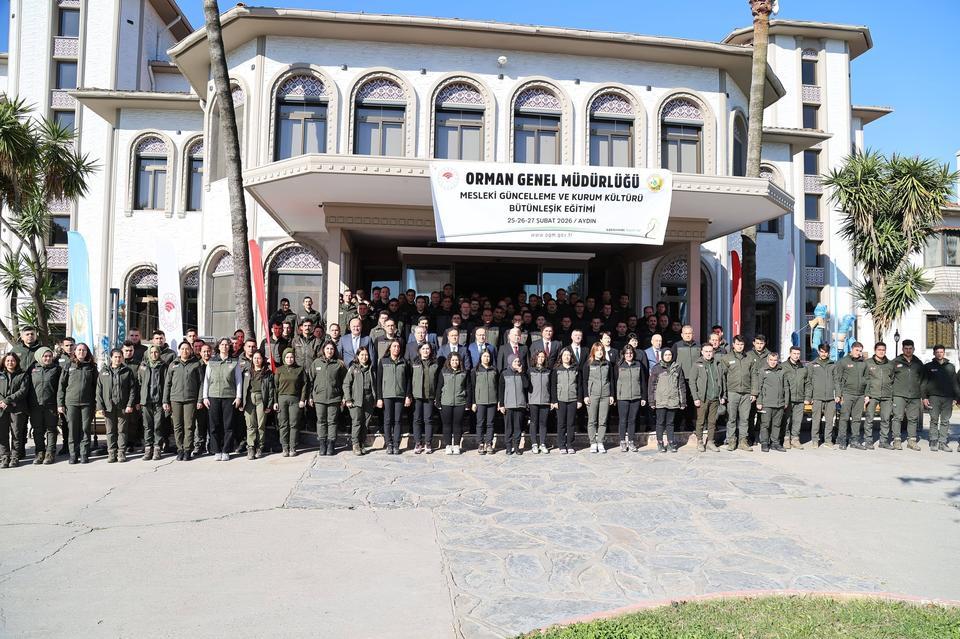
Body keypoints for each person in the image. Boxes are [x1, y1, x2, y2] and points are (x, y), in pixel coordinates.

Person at [163, 341, 204, 461]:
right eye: (182, 349)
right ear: (179, 351)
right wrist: (165, 400)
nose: (184, 351)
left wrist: (200, 400)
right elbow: (167, 384)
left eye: (187, 349)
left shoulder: (196, 364)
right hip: (175, 399)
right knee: (177, 426)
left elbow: (201, 383)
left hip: (191, 399)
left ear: (190, 350)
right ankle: (179, 449)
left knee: (189, 426)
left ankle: (187, 450)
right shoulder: (173, 364)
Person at [203, 338, 243, 461]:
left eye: (227, 345)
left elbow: (238, 380)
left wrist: (238, 396)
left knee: (228, 425)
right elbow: (207, 380)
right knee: (214, 425)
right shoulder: (212, 362)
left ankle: (226, 450)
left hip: (229, 396)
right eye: (222, 344)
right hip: (213, 396)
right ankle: (216, 450)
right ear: (218, 347)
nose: (225, 347)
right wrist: (205, 396)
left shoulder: (234, 362)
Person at [57, 343, 98, 464]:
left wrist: (96, 403)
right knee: (73, 429)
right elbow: (62, 386)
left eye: (84, 350)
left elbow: (96, 386)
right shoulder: (68, 365)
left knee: (85, 429)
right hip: (71, 403)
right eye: (79, 350)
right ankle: (73, 454)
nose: (81, 352)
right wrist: (60, 403)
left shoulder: (91, 367)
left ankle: (84, 453)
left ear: (87, 352)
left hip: (87, 403)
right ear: (74, 352)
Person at [96, 348, 137, 463]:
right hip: (108, 407)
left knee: (122, 430)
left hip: (123, 406)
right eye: (115, 357)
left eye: (120, 357)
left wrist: (129, 404)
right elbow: (99, 390)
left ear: (122, 358)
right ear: (111, 358)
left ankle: (121, 453)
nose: (118, 359)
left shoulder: (127, 371)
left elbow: (133, 390)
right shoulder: (104, 371)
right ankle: (111, 453)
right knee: (110, 431)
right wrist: (100, 407)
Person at [308, 341, 346, 456]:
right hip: (319, 398)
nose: (330, 351)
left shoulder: (339, 364)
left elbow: (345, 382)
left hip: (334, 398)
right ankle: (322, 443)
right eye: (328, 348)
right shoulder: (316, 363)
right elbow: (310, 381)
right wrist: (310, 396)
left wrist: (344, 397)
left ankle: (331, 444)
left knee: (332, 421)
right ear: (323, 349)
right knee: (321, 421)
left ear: (335, 351)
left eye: (332, 349)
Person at [921, 345, 959, 452]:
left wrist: (956, 397)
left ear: (944, 353)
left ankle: (942, 442)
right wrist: (924, 397)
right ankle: (933, 440)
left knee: (945, 420)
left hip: (948, 398)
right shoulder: (928, 366)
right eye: (937, 352)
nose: (939, 354)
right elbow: (923, 383)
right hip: (933, 397)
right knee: (934, 419)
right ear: (934, 353)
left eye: (941, 352)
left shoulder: (950, 367)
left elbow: (954, 383)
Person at [377, 339, 412, 455]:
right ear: (390, 348)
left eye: (398, 346)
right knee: (387, 420)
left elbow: (408, 380)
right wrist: (379, 397)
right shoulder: (383, 361)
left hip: (400, 395)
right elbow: (379, 381)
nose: (396, 348)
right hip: (387, 395)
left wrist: (408, 395)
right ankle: (389, 444)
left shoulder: (404, 362)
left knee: (398, 420)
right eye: (394, 346)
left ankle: (396, 444)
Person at [28, 347, 61, 465]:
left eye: (50, 356)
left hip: (51, 405)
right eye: (45, 356)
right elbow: (27, 387)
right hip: (35, 405)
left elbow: (60, 388)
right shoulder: (32, 369)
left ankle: (50, 453)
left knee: (51, 429)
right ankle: (40, 452)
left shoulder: (56, 369)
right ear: (39, 357)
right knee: (37, 430)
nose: (48, 358)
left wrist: (59, 404)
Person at [648, 348, 685, 453]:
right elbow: (652, 386)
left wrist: (683, 401)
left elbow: (681, 386)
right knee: (660, 423)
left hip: (673, 400)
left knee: (670, 423)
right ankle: (660, 443)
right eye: (666, 355)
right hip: (660, 401)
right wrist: (652, 401)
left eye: (669, 355)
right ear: (662, 356)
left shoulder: (677, 368)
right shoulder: (657, 369)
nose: (668, 356)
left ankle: (670, 442)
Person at [689, 343, 724, 452]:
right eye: (706, 351)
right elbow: (692, 382)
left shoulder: (717, 364)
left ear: (713, 352)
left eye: (710, 351)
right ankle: (699, 441)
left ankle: (710, 442)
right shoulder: (697, 364)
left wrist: (723, 395)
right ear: (702, 352)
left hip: (715, 398)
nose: (709, 353)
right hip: (703, 398)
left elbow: (722, 380)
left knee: (712, 421)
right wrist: (695, 398)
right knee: (700, 421)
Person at [720, 336, 753, 451]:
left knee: (745, 418)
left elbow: (754, 376)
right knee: (732, 418)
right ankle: (731, 440)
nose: (740, 346)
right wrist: (723, 394)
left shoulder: (749, 358)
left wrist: (753, 392)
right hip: (732, 392)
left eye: (742, 344)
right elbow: (722, 377)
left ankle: (743, 441)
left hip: (746, 393)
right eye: (738, 344)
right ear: (733, 345)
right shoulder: (726, 358)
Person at [274, 348, 308, 457]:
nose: (289, 359)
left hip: (295, 399)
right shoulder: (279, 370)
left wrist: (302, 399)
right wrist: (275, 401)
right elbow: (275, 387)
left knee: (294, 424)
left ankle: (293, 447)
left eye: (291, 357)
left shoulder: (300, 369)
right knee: (283, 424)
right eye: (287, 357)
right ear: (284, 358)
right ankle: (285, 447)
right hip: (281, 399)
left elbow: (305, 385)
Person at [436, 351, 472, 455]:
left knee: (458, 425)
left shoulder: (464, 373)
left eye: (456, 360)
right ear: (449, 361)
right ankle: (448, 445)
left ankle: (456, 445)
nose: (455, 362)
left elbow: (468, 388)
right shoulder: (443, 372)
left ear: (459, 361)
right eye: (453, 360)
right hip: (446, 402)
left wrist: (468, 403)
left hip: (460, 402)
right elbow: (439, 387)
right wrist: (438, 401)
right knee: (446, 425)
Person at [343, 347, 377, 456]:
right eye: (362, 355)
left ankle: (362, 443)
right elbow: (346, 384)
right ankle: (355, 444)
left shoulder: (371, 368)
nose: (364, 357)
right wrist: (348, 399)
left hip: (368, 399)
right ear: (358, 356)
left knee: (365, 423)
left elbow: (375, 385)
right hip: (355, 400)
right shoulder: (353, 368)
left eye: (366, 355)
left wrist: (375, 398)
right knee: (357, 422)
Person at [613, 344, 647, 453]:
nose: (629, 355)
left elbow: (643, 382)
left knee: (632, 420)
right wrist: (614, 396)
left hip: (636, 396)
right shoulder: (619, 365)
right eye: (627, 353)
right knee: (623, 420)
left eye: (631, 353)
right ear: (623, 354)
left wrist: (643, 397)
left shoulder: (638, 364)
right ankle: (622, 441)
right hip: (622, 397)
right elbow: (614, 382)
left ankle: (631, 441)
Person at [805, 343, 839, 448]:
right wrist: (808, 397)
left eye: (826, 352)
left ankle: (828, 441)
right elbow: (809, 382)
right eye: (822, 351)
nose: (824, 354)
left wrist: (838, 394)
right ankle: (815, 440)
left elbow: (837, 381)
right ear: (819, 351)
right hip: (817, 397)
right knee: (816, 420)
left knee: (829, 420)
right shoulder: (812, 364)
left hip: (830, 398)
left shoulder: (833, 364)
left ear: (829, 353)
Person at [835, 342, 868, 450]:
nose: (858, 353)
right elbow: (838, 380)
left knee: (857, 419)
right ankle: (842, 440)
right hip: (847, 394)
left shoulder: (864, 363)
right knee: (844, 418)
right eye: (857, 350)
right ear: (852, 349)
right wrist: (839, 395)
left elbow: (867, 379)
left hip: (860, 395)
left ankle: (855, 440)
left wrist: (866, 394)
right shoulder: (843, 362)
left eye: (860, 351)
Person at [138, 345, 168, 461]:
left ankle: (157, 448)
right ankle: (148, 449)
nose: (154, 354)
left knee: (158, 426)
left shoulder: (164, 366)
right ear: (148, 354)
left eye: (156, 352)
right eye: (152, 352)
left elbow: (166, 384)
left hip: (159, 401)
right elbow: (140, 382)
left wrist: (165, 400)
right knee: (147, 426)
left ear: (159, 353)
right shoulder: (143, 366)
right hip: (146, 401)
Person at [754, 351, 788, 452]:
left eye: (775, 360)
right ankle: (764, 443)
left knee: (777, 425)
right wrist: (759, 402)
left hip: (779, 403)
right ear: (767, 360)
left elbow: (786, 387)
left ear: (778, 361)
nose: (773, 362)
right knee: (765, 424)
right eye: (771, 360)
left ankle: (775, 443)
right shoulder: (762, 371)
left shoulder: (782, 371)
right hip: (766, 403)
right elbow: (758, 387)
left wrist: (786, 401)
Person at [552, 348, 583, 455]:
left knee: (571, 423)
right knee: (561, 424)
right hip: (560, 400)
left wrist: (579, 400)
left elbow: (579, 385)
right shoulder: (556, 369)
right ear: (561, 357)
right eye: (564, 355)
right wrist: (554, 400)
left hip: (573, 399)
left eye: (569, 355)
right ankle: (561, 445)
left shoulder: (575, 369)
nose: (567, 357)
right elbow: (553, 386)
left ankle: (570, 444)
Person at [0, 352, 29, 468]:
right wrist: (2, 402)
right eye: (7, 360)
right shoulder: (0, 374)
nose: (10, 362)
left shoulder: (22, 375)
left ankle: (15, 457)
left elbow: (23, 391)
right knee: (2, 434)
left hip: (17, 408)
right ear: (4, 362)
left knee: (16, 434)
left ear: (16, 362)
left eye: (12, 360)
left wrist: (7, 400)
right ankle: (4, 457)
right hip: (2, 408)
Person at [584, 342, 613, 454]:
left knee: (603, 420)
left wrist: (611, 395)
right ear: (593, 351)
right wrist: (586, 395)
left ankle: (600, 441)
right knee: (592, 420)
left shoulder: (607, 364)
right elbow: (584, 381)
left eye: (601, 350)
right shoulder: (588, 364)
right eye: (597, 350)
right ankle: (593, 442)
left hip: (605, 395)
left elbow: (611, 380)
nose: (599, 352)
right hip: (592, 395)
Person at [864, 342, 895, 450]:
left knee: (886, 419)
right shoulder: (867, 363)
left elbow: (893, 379)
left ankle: (884, 441)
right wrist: (866, 394)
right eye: (879, 350)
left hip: (887, 396)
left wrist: (891, 394)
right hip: (872, 395)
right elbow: (865, 380)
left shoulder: (890, 364)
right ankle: (868, 441)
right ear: (875, 350)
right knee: (869, 419)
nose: (881, 352)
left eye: (883, 350)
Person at [410, 342, 439, 454]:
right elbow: (409, 378)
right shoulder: (414, 362)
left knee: (428, 419)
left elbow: (438, 381)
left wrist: (437, 395)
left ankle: (428, 443)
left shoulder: (435, 363)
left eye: (428, 349)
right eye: (424, 349)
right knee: (417, 419)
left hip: (430, 396)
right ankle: (418, 442)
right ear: (420, 350)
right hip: (417, 395)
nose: (426, 351)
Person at [498, 356, 529, 455]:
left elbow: (526, 386)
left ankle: (516, 447)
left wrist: (521, 373)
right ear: (510, 362)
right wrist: (502, 404)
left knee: (518, 427)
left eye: (518, 361)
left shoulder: (522, 373)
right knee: (508, 428)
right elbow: (501, 390)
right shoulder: (504, 373)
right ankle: (508, 447)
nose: (517, 363)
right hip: (508, 405)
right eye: (515, 361)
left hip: (520, 404)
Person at [671, 325, 699, 431]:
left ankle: (689, 424)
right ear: (682, 334)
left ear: (693, 334)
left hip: (694, 380)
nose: (688, 335)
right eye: (686, 333)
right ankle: (677, 425)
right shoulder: (676, 346)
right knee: (679, 402)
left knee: (691, 403)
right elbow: (672, 361)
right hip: (681, 379)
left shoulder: (698, 346)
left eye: (690, 333)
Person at [471, 349, 499, 455]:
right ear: (480, 357)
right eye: (484, 356)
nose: (486, 358)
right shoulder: (475, 370)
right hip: (480, 401)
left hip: (492, 400)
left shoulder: (494, 370)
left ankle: (489, 443)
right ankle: (480, 443)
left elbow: (497, 386)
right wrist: (473, 402)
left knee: (490, 423)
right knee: (480, 423)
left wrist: (498, 401)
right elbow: (472, 387)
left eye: (488, 356)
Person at [781, 346, 808, 450]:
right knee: (787, 420)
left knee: (797, 420)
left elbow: (808, 383)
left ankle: (795, 439)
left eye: (798, 354)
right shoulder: (783, 366)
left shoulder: (803, 368)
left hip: (800, 398)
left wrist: (807, 397)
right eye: (794, 353)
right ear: (790, 353)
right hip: (788, 399)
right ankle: (786, 438)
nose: (796, 356)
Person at [526, 350, 553, 454]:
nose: (541, 359)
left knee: (543, 423)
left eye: (543, 357)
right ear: (535, 358)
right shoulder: (530, 371)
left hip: (545, 401)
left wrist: (551, 401)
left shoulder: (548, 371)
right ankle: (534, 444)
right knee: (533, 423)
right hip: (533, 400)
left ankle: (542, 443)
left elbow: (550, 387)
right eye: (539, 357)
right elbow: (526, 386)